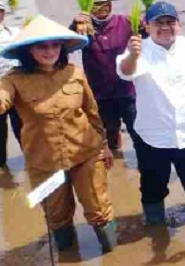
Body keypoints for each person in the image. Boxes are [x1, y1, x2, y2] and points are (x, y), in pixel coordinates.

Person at [0, 16, 116, 252]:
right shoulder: (13, 80)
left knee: (99, 209)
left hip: (86, 155)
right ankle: (68, 254)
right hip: (45, 163)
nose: (50, 51)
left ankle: (113, 255)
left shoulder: (75, 72)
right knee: (57, 216)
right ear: (28, 50)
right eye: (42, 46)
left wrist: (104, 145)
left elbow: (92, 112)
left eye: (55, 45)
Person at [117, 1, 185, 225]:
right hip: (152, 139)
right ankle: (156, 228)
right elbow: (125, 72)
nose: (165, 27)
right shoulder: (138, 50)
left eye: (170, 22)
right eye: (159, 23)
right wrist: (133, 56)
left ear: (178, 24)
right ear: (147, 26)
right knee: (152, 189)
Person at [71, 0, 139, 153]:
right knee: (109, 131)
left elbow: (150, 34)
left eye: (105, 4)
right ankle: (116, 160)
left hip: (127, 90)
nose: (102, 9)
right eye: (96, 5)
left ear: (111, 5)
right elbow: (65, 46)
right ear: (89, 8)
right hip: (100, 93)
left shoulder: (126, 22)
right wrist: (74, 25)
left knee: (137, 129)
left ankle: (144, 163)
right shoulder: (83, 27)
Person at [0, 2, 21, 167]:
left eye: (0, 11)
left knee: (23, 127)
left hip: (18, 88)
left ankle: (33, 161)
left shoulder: (15, 32)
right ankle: (2, 168)